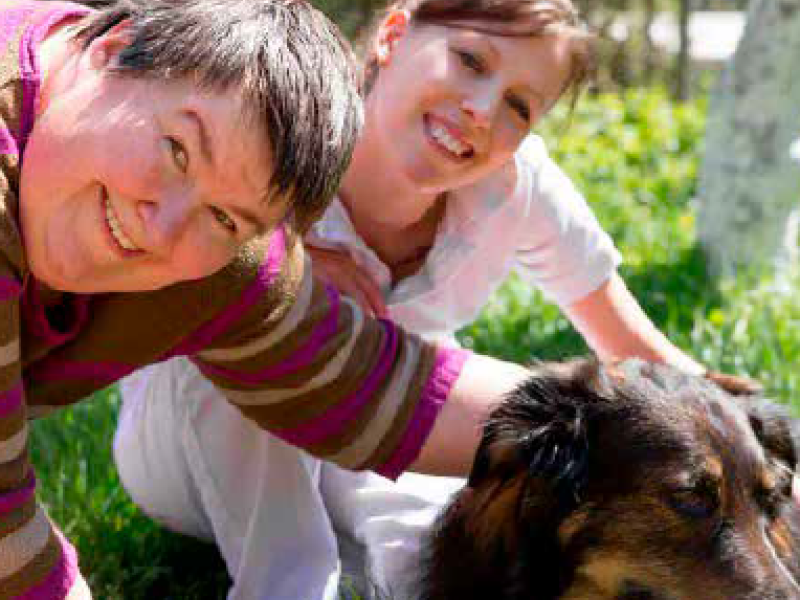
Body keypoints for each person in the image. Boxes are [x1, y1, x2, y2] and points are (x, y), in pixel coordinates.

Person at [113, 1, 735, 599]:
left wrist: (755, 451)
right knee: (255, 329)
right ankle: (287, 584)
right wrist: (278, 266)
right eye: (470, 60)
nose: (483, 110)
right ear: (393, 34)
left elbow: (638, 353)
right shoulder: (288, 126)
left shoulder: (514, 187)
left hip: (375, 424)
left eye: (519, 106)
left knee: (433, 557)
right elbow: (165, 253)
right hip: (190, 446)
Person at [0, 0, 560, 597]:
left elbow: (364, 384)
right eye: (177, 150)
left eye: (223, 216)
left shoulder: (212, 260)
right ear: (114, 51)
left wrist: (596, 424)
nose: (160, 229)